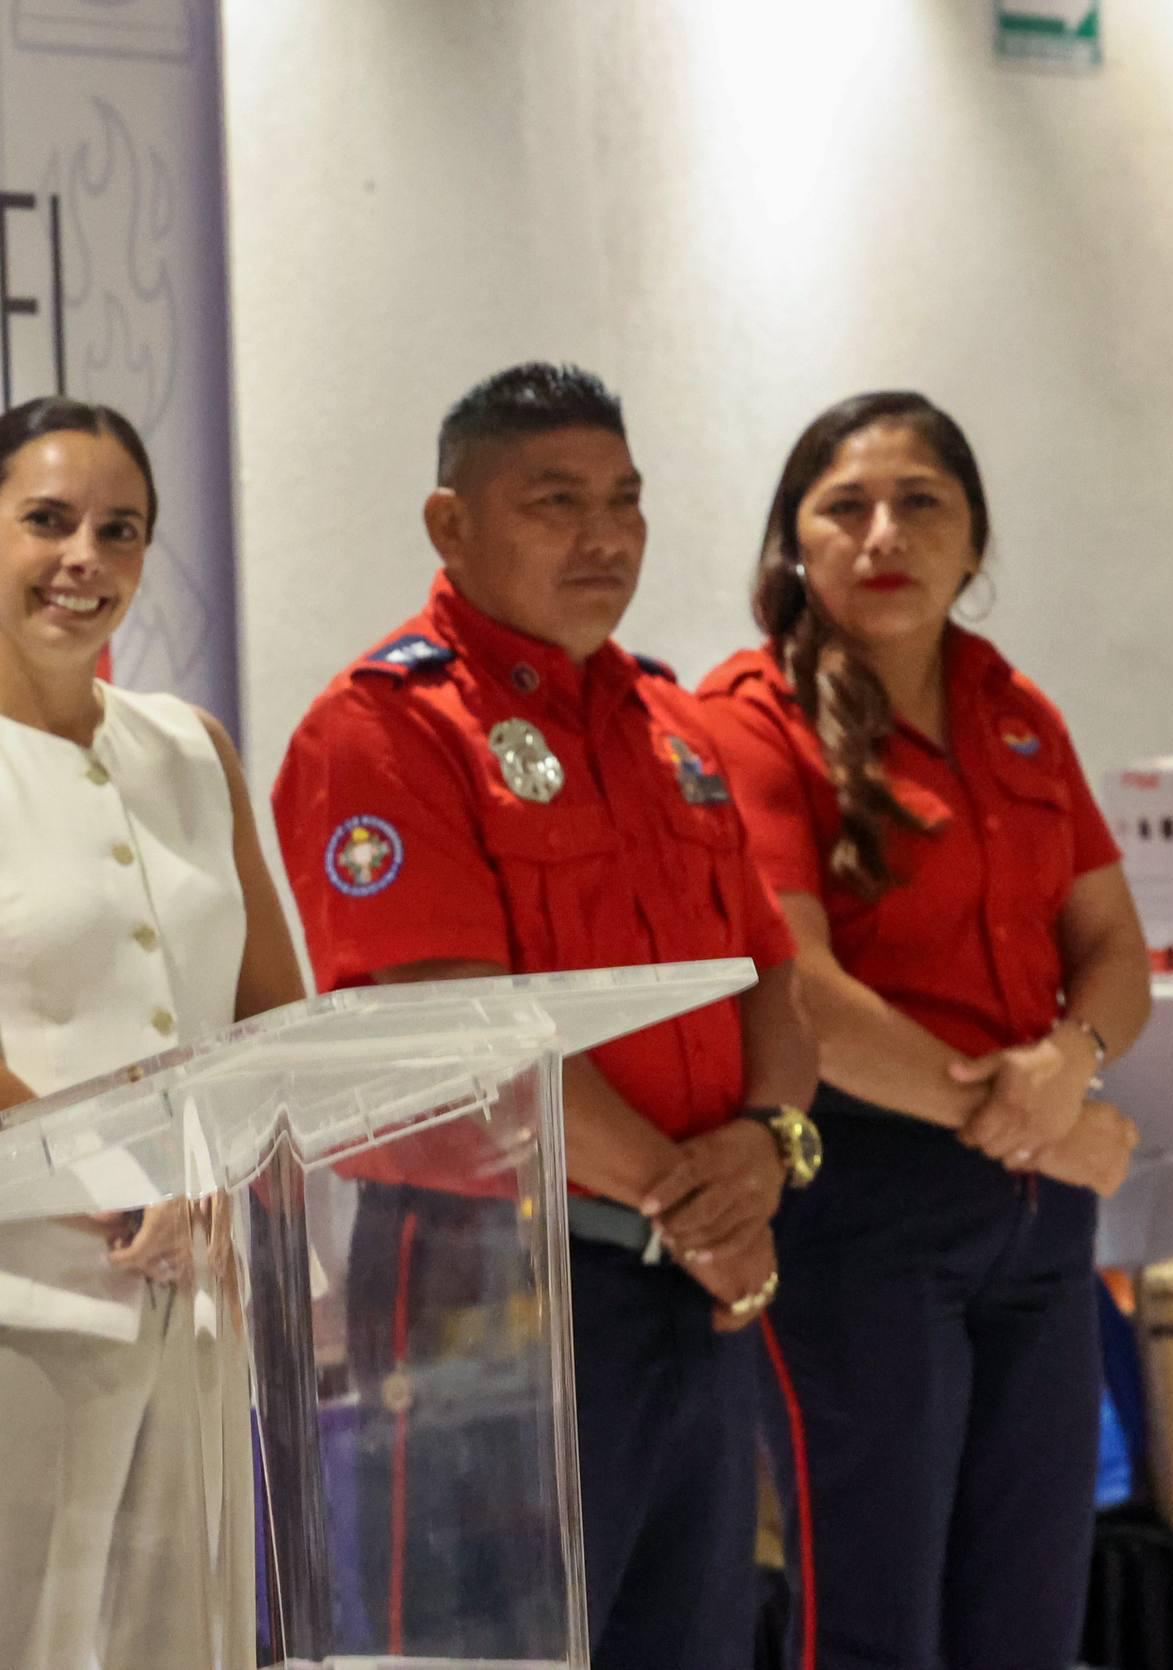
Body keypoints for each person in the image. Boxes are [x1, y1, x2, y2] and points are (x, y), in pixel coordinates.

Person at [270, 362, 814, 1669]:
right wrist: (695, 1203)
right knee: (485, 1648)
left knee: (690, 1640)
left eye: (624, 499)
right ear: (449, 524)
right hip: (493, 1283)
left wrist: (768, 1142)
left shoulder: (670, 722)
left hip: (691, 1286)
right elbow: (453, 1023)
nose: (604, 535)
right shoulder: (384, 728)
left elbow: (770, 977)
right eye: (555, 501)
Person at [697, 391, 1149, 1670]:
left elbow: (1113, 950)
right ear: (794, 542)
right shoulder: (746, 717)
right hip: (859, 1210)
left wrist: (1071, 1061)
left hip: (1033, 1219)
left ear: (974, 541)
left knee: (1029, 1616)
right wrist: (1020, 1119)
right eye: (844, 507)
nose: (882, 533)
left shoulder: (1016, 710)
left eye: (920, 503)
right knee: (874, 1621)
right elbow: (797, 990)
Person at [0, 397, 304, 1670]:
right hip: (15, 1303)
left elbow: (279, 1023)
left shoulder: (193, 747)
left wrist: (218, 1181)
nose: (82, 559)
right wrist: (130, 1185)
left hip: (201, 1295)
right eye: (46, 521)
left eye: (120, 530)